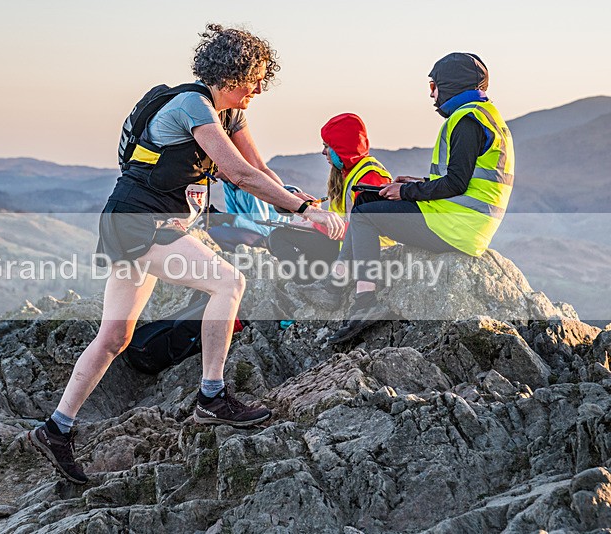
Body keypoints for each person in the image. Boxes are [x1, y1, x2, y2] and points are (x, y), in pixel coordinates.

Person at [28, 24, 345, 485]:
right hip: (139, 224)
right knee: (229, 282)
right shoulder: (193, 106)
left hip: (134, 222)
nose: (259, 89)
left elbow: (258, 167)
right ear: (235, 74)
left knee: (115, 337)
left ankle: (56, 429)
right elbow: (236, 173)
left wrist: (304, 203)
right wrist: (299, 211)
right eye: (255, 79)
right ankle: (212, 397)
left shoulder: (228, 114)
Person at [328, 52, 514, 343]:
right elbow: (464, 178)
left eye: (433, 86)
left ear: (451, 84)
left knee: (364, 215)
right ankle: (337, 284)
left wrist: (404, 191)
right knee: (365, 200)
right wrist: (419, 183)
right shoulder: (482, 116)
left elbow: (456, 183)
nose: (432, 95)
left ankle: (364, 303)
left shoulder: (467, 121)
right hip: (457, 220)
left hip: (456, 228)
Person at [285, 113, 393, 300]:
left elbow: (363, 230)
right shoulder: (348, 173)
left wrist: (316, 223)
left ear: (343, 148)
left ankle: (328, 291)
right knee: (279, 236)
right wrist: (315, 214)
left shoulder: (370, 176)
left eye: (328, 146)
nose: (323, 152)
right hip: (344, 246)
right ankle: (315, 287)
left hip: (372, 251)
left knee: (283, 238)